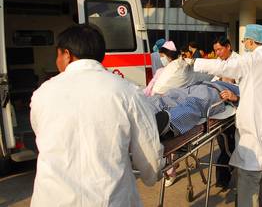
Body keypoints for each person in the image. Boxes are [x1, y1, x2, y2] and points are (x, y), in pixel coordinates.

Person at [30, 25, 164, 207]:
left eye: (58, 55)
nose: (57, 60)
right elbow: (149, 151)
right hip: (110, 199)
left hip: (52, 199)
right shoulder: (127, 91)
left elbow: (41, 134)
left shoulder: (42, 93)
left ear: (67, 55)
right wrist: (152, 175)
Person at [194, 24, 262, 207]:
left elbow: (225, 68)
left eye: (244, 41)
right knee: (260, 164)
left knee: (248, 171)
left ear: (250, 41)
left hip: (256, 122)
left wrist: (195, 63)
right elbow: (256, 87)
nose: (244, 44)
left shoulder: (253, 59)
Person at [211, 36, 240, 189]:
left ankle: (225, 178)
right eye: (215, 50)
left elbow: (243, 86)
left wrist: (231, 86)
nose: (217, 53)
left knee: (230, 144)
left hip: (234, 108)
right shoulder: (220, 63)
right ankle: (224, 177)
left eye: (219, 49)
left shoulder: (239, 62)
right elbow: (215, 81)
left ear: (228, 46)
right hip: (220, 108)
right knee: (225, 145)